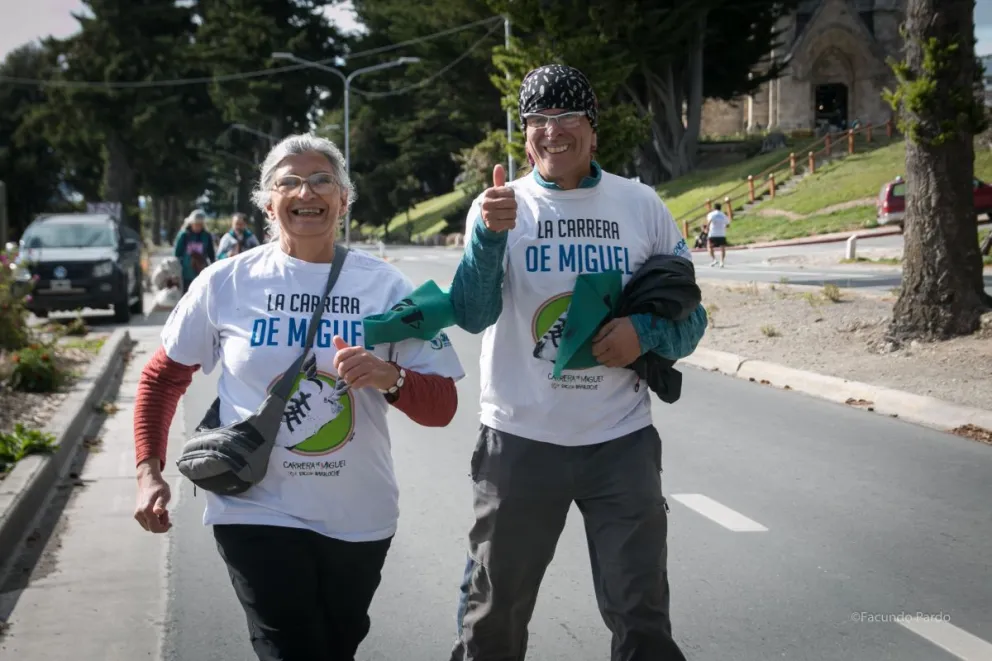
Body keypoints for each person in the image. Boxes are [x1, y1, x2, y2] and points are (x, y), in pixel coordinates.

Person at [132, 133, 465, 661]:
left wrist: (390, 377)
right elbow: (161, 378)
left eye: (321, 180)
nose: (305, 192)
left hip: (358, 515)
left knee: (336, 645)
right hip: (253, 507)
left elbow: (443, 405)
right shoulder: (227, 283)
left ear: (344, 199)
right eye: (288, 181)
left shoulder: (386, 287)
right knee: (291, 649)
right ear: (268, 202)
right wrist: (148, 470)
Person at [445, 64, 708, 661]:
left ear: (593, 130)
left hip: (620, 444)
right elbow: (472, 312)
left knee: (641, 614)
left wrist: (643, 334)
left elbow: (692, 319)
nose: (551, 130)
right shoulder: (500, 207)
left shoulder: (640, 205)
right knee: (494, 614)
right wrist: (488, 239)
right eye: (536, 120)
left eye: (566, 117)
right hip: (519, 441)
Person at [173, 209, 217, 292]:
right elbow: (177, 253)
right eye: (196, 224)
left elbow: (211, 253)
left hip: (201, 271)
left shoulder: (206, 236)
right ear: (191, 223)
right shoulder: (184, 235)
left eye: (200, 225)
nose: (198, 227)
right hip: (185, 272)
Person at [705, 202, 731, 267]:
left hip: (713, 233)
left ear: (714, 208)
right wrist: (723, 227)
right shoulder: (723, 215)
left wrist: (707, 229)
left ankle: (714, 259)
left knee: (709, 246)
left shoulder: (711, 214)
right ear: (720, 208)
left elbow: (709, 221)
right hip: (721, 234)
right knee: (722, 248)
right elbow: (728, 224)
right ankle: (722, 262)